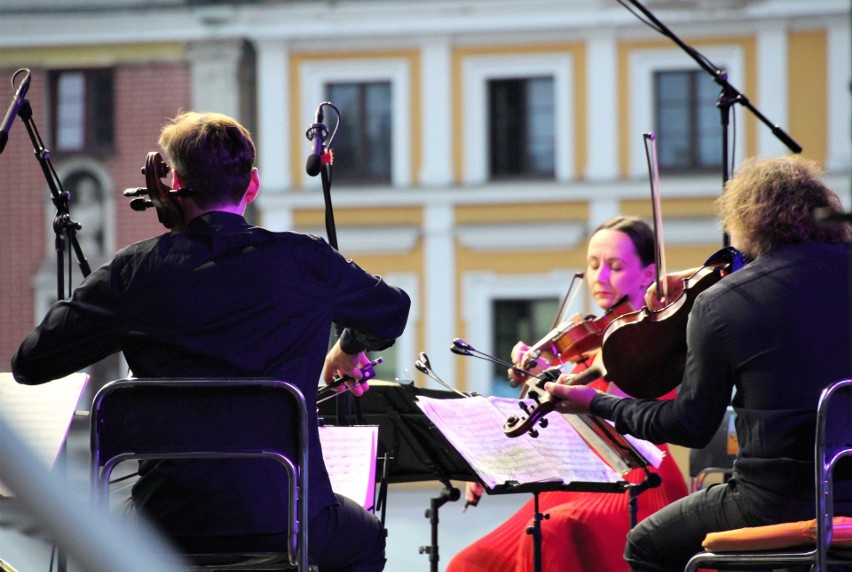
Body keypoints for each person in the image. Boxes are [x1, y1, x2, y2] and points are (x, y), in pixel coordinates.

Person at [11, 111, 410, 572]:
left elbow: (31, 362)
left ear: (173, 182)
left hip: (166, 523)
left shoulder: (133, 272)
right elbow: (392, 311)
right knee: (364, 538)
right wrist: (348, 348)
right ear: (252, 184)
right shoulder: (305, 261)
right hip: (287, 519)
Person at [547, 155, 852, 571]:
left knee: (645, 545)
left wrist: (595, 403)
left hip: (775, 502)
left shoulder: (723, 305)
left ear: (744, 221)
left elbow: (688, 425)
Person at [447, 215, 689, 572]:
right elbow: (551, 432)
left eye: (615, 266)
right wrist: (493, 463)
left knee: (546, 534)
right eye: (593, 265)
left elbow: (621, 412)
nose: (600, 278)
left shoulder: (660, 339)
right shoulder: (587, 341)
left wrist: (570, 380)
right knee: (468, 563)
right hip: (576, 481)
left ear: (649, 274)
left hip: (639, 482)